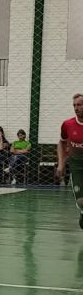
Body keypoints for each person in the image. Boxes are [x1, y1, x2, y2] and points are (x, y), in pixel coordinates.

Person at [57, 93, 83, 229]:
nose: (76, 108)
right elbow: (61, 143)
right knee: (81, 201)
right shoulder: (67, 124)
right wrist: (61, 163)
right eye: (74, 105)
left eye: (79, 105)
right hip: (77, 166)